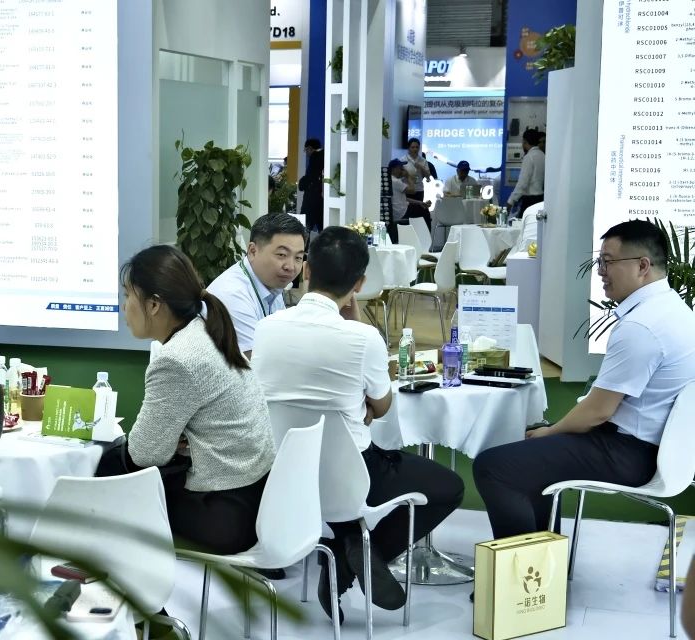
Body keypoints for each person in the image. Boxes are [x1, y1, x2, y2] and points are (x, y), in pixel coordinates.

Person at [251, 226, 464, 623]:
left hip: (282, 474)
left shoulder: (266, 329)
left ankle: (349, 544)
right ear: (360, 284)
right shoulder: (363, 339)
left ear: (307, 270)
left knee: (348, 457)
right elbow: (381, 406)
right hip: (351, 475)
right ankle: (356, 552)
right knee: (448, 488)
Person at [475, 220, 695, 541]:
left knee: (494, 467)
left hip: (629, 453)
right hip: (659, 447)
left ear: (642, 266)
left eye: (608, 261)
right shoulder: (675, 309)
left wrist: (550, 432)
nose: (601, 272)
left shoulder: (642, 326)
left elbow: (598, 411)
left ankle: (523, 570)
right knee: (531, 457)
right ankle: (544, 563)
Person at [98, 245, 276, 555]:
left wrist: (167, 440)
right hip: (255, 500)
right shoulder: (207, 331)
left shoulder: (177, 358)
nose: (124, 306)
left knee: (106, 477)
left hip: (222, 514)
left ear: (154, 305)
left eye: (128, 296)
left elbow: (144, 453)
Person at [206, 212, 307, 357]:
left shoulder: (271, 283)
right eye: (281, 255)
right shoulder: (233, 295)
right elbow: (255, 363)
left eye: (298, 257)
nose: (290, 267)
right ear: (253, 251)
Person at [386, 159, 432, 244]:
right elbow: (413, 190)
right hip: (402, 212)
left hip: (399, 210)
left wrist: (420, 203)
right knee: (425, 212)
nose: (402, 170)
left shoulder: (390, 180)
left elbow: (404, 198)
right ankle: (427, 240)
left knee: (421, 208)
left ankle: (421, 238)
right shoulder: (395, 181)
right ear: (394, 169)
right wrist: (408, 176)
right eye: (401, 168)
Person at [506, 129, 545, 217]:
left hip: (529, 200)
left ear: (525, 141)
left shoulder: (529, 157)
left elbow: (523, 183)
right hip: (540, 198)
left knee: (524, 223)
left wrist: (511, 201)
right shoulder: (542, 155)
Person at [400, 137, 433, 230]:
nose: (415, 149)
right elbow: (399, 175)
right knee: (408, 212)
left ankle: (418, 231)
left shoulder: (423, 160)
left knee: (418, 212)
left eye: (417, 147)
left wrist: (421, 167)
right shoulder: (403, 160)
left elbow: (428, 176)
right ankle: (407, 231)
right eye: (413, 147)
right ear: (408, 148)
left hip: (419, 190)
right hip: (407, 189)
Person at [298, 138, 324, 232]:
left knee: (305, 228)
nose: (306, 153)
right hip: (322, 200)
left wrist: (302, 184)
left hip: (311, 199)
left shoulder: (315, 157)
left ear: (310, 148)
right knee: (322, 228)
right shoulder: (325, 156)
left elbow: (310, 177)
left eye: (306, 150)